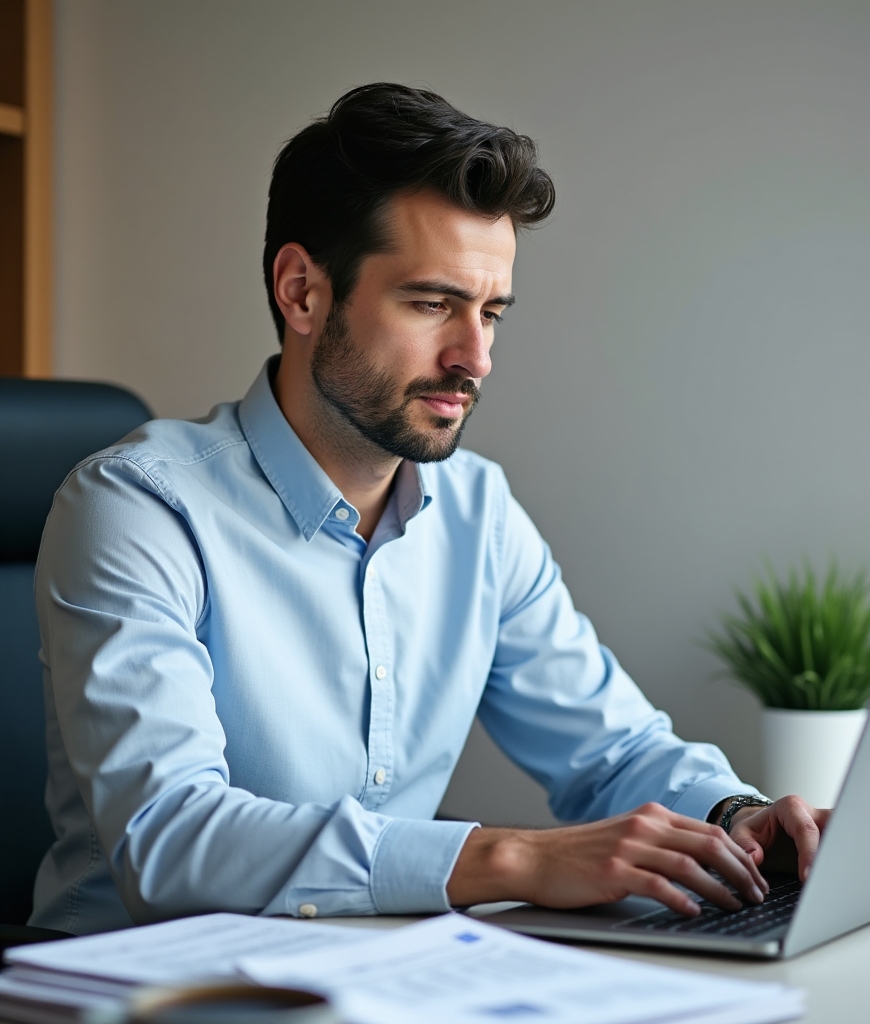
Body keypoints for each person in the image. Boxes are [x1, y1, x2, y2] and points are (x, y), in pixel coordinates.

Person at [31, 83, 828, 935]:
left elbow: (615, 750)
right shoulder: (136, 506)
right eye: (432, 303)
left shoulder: (476, 510)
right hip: (141, 992)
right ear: (302, 292)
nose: (474, 357)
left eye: (490, 313)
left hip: (380, 979)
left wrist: (734, 820)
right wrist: (512, 857)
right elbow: (169, 838)